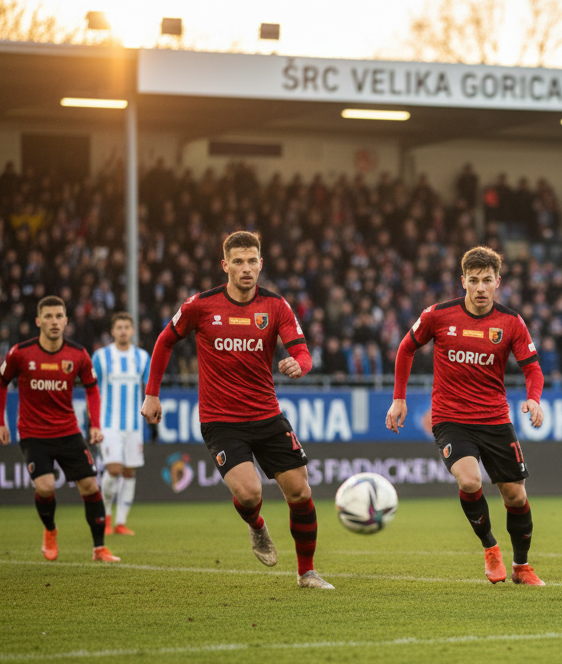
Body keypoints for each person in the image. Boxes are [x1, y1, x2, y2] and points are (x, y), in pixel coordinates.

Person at [141, 231, 333, 589]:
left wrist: (299, 365)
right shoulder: (200, 305)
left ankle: (307, 572)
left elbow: (302, 351)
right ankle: (256, 526)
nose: (246, 269)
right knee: (249, 494)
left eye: (252, 261)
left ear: (261, 263)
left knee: (301, 493)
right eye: (239, 261)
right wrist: (152, 394)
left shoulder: (276, 306)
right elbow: (165, 340)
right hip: (221, 420)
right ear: (225, 264)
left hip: (267, 415)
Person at [387, 246, 546, 585]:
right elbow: (406, 348)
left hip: (495, 420)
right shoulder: (437, 315)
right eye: (473, 281)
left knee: (516, 496)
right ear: (463, 281)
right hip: (451, 419)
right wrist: (398, 398)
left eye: (487, 281)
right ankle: (490, 548)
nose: (480, 288)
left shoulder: (511, 322)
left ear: (498, 282)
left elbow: (533, 369)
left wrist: (534, 400)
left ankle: (522, 566)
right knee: (470, 480)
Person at [0, 296, 119, 562]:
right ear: (38, 321)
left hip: (67, 431)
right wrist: (1, 422)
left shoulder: (77, 354)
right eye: (49, 316)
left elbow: (92, 388)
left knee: (90, 485)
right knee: (45, 487)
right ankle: (50, 530)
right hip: (33, 433)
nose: (54, 322)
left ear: (66, 320)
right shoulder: (20, 352)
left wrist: (96, 425)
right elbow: (2, 381)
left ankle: (99, 548)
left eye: (59, 316)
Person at [93, 311, 150, 535]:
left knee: (128, 472)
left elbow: (148, 389)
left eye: (127, 327)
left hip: (134, 425)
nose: (123, 331)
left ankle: (120, 523)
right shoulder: (100, 356)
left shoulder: (143, 357)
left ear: (133, 331)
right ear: (112, 331)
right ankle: (105, 517)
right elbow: (92, 389)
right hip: (109, 424)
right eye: (119, 327)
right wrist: (93, 423)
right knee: (114, 468)